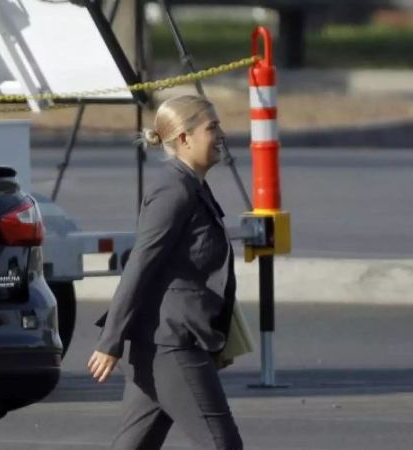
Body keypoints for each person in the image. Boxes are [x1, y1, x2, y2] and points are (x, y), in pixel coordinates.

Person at [88, 95, 243, 450]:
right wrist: (110, 341)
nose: (221, 134)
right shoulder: (173, 189)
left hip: (161, 340)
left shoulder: (191, 184)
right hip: (169, 344)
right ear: (185, 138)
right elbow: (141, 264)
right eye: (212, 127)